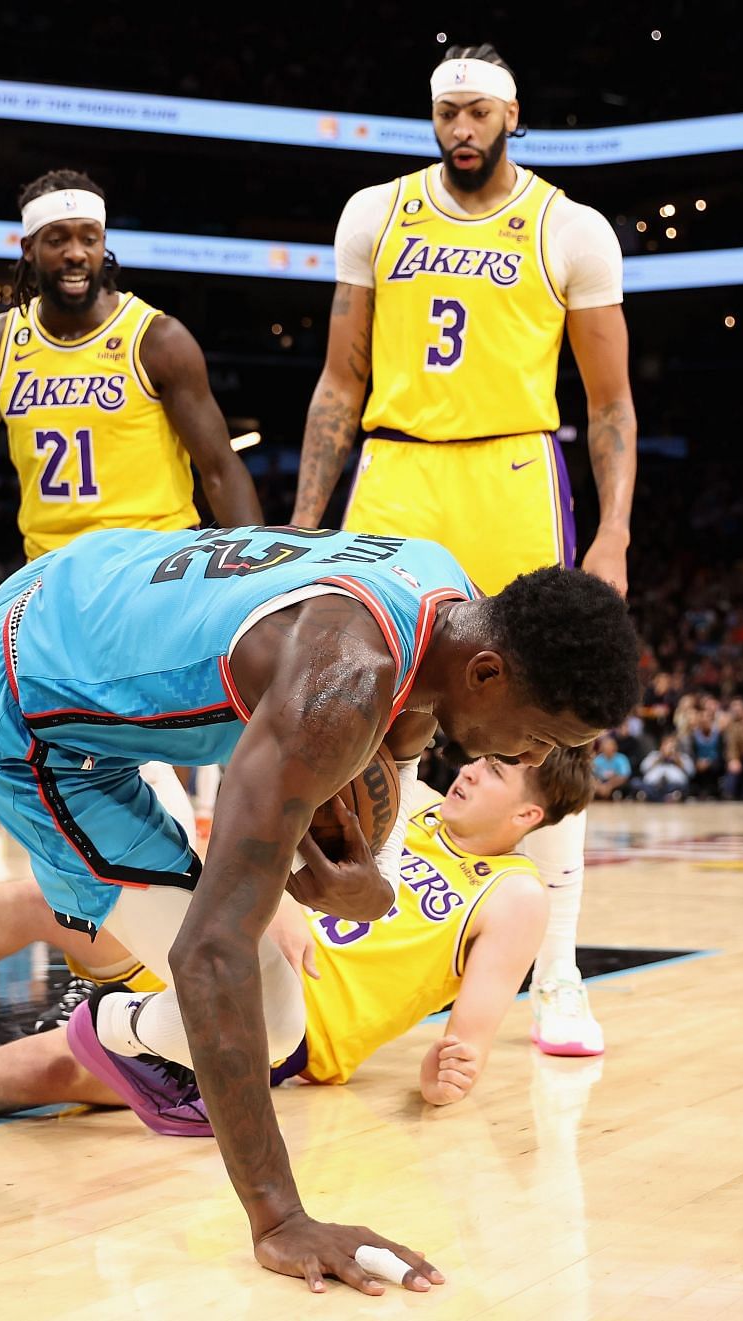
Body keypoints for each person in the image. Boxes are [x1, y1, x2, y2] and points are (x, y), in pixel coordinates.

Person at [0, 524, 638, 1292]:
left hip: (64, 583)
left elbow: (401, 744)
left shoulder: (444, 590)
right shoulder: (342, 683)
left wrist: (372, 880)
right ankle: (113, 1027)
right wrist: (279, 1216)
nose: (530, 756)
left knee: (174, 734)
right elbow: (207, 954)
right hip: (37, 732)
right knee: (272, 1009)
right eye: (538, 734)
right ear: (489, 673)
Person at [0, 748, 594, 1130]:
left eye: (503, 769)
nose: (476, 768)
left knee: (38, 1071)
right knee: (50, 894)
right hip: (217, 935)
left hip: (274, 1028)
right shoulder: (408, 810)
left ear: (533, 813)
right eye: (484, 754)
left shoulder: (510, 893)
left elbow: (470, 1030)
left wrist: (451, 1069)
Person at [289, 44, 636, 1058]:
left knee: (551, 731)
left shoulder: (571, 227)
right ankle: (354, 919)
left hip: (515, 474)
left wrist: (612, 534)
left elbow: (609, 405)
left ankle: (560, 977)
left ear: (513, 114)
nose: (463, 130)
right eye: (449, 114)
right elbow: (339, 383)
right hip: (397, 473)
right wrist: (307, 521)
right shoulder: (376, 212)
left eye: (481, 113)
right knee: (363, 708)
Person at [0, 169, 265, 835]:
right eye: (57, 239)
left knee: (125, 745)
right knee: (65, 758)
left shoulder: (157, 339)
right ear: (29, 250)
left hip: (156, 573)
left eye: (88, 238)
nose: (75, 252)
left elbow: (220, 469)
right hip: (55, 583)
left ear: (104, 246)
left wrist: (259, 572)